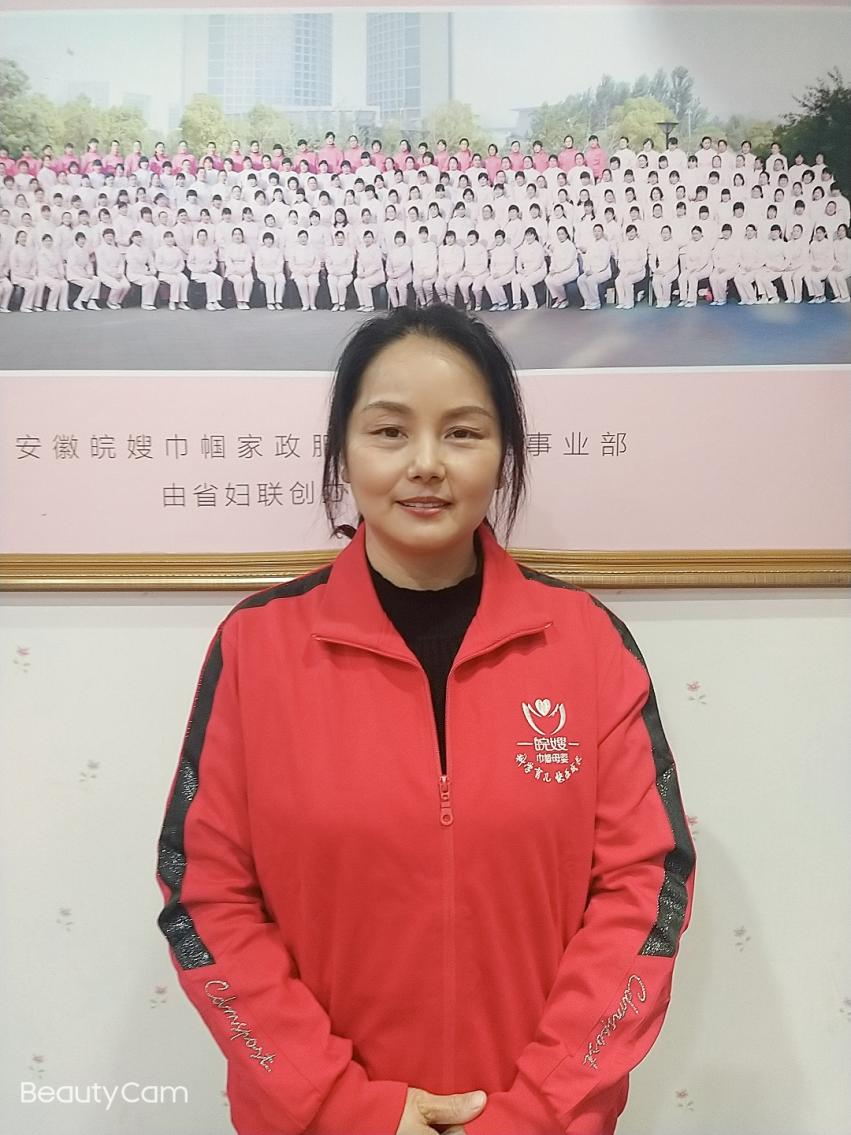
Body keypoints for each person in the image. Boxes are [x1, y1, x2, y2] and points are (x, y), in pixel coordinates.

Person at [156, 303, 696, 1135]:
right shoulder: (257, 646)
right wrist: (347, 1107)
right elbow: (205, 896)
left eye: (462, 433)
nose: (426, 464)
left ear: (502, 453)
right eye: (389, 431)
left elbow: (644, 885)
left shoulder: (586, 642)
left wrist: (536, 1108)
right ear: (343, 449)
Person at [576, 222, 613, 311]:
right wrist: (587, 270)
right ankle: (588, 302)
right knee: (580, 280)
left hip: (603, 271)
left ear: (602, 232)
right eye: (595, 231)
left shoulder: (606, 245)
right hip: (590, 271)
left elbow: (604, 262)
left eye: (599, 231)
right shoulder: (591, 244)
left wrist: (594, 271)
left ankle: (596, 303)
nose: (596, 233)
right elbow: (587, 259)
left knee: (591, 280)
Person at [93, 227, 130, 309]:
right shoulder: (99, 249)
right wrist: (113, 274)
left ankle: (118, 301)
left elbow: (121, 263)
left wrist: (120, 273)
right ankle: (111, 302)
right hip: (104, 272)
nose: (109, 238)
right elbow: (102, 265)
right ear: (103, 237)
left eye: (111, 236)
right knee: (117, 286)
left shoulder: (116, 249)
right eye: (108, 236)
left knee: (126, 286)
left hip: (117, 272)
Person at [187, 228, 224, 310]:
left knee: (218, 279)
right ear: (197, 237)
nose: (202, 238)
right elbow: (189, 263)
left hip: (208, 271)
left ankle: (216, 301)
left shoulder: (209, 249)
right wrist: (199, 270)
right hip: (197, 273)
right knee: (210, 280)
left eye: (204, 236)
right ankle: (209, 302)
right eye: (201, 236)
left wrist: (209, 269)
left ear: (207, 238)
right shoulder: (193, 249)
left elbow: (214, 262)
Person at [154, 230, 190, 310]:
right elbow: (158, 265)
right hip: (164, 273)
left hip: (176, 272)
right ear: (164, 239)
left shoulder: (177, 250)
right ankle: (172, 301)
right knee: (175, 281)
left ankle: (182, 302)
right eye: (167, 237)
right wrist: (169, 271)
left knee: (184, 280)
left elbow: (181, 263)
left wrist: (177, 270)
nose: (170, 239)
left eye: (171, 237)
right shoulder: (160, 250)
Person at [544, 225, 579, 309]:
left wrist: (557, 270)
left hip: (570, 271)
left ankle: (564, 299)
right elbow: (553, 259)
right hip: (558, 271)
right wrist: (552, 269)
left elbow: (569, 263)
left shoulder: (570, 246)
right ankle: (558, 298)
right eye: (558, 234)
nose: (560, 236)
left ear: (566, 234)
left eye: (562, 234)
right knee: (548, 279)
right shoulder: (557, 246)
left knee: (557, 281)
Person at [614, 224, 647, 309]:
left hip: (638, 271)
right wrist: (623, 270)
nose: (630, 234)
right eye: (628, 232)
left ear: (636, 233)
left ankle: (629, 302)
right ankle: (622, 302)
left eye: (632, 232)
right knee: (618, 281)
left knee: (627, 281)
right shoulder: (623, 245)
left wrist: (634, 270)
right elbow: (620, 260)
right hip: (625, 270)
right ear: (626, 234)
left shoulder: (640, 244)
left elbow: (643, 260)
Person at [255, 230, 287, 309]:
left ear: (273, 240)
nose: (268, 241)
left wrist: (274, 272)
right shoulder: (259, 251)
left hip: (276, 272)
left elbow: (280, 264)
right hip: (263, 273)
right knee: (270, 280)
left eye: (270, 239)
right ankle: (270, 302)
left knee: (281, 280)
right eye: (266, 239)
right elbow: (258, 266)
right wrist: (266, 272)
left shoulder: (277, 251)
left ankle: (278, 302)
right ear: (263, 241)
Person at [827, 222, 851, 303]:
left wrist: (842, 267)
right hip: (837, 265)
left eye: (843, 230)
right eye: (839, 230)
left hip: (848, 266)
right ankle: (838, 295)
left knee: (839, 276)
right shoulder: (835, 242)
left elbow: (849, 258)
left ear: (846, 232)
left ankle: (846, 296)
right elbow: (831, 256)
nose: (840, 232)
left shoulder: (849, 242)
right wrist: (834, 265)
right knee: (831, 275)